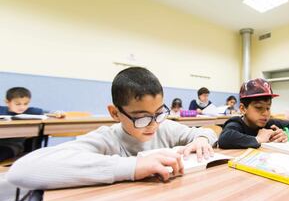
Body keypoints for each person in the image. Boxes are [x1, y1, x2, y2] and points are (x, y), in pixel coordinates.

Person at [7, 67, 217, 189]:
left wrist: (201, 139)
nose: (153, 124)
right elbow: (21, 170)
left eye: (159, 113)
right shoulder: (107, 139)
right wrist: (132, 167)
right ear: (115, 113)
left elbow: (205, 131)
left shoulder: (165, 127)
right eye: (141, 118)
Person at [218, 78, 289, 149]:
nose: (265, 113)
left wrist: (287, 135)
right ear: (243, 108)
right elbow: (225, 138)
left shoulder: (270, 123)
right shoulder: (236, 123)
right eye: (258, 107)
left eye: (268, 108)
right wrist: (258, 139)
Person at [0, 87, 44, 162]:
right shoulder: (1, 110)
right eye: (18, 104)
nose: (22, 107)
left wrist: (56, 113)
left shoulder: (32, 112)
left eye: (26, 104)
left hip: (12, 146)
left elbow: (47, 113)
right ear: (7, 102)